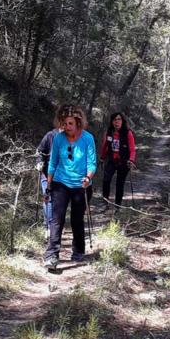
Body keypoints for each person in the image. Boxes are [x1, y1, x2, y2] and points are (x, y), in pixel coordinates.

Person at [43, 104, 97, 272]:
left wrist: (88, 178)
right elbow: (53, 163)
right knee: (56, 219)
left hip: (81, 185)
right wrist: (49, 185)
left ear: (78, 123)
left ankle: (79, 251)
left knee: (76, 219)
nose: (67, 127)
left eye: (70, 124)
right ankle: (52, 255)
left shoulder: (88, 138)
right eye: (64, 123)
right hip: (60, 183)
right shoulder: (59, 138)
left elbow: (92, 163)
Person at [100, 111, 136, 209]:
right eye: (115, 120)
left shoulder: (128, 133)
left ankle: (117, 206)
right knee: (106, 180)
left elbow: (132, 149)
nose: (117, 122)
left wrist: (131, 160)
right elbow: (105, 146)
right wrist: (102, 157)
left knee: (120, 184)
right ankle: (105, 202)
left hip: (124, 161)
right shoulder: (109, 132)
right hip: (111, 160)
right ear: (112, 122)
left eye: (119, 119)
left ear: (122, 121)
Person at [35, 122, 60, 239]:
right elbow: (39, 151)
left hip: (62, 175)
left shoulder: (71, 137)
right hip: (46, 173)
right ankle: (48, 226)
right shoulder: (50, 135)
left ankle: (56, 225)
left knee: (58, 201)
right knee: (48, 198)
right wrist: (39, 162)